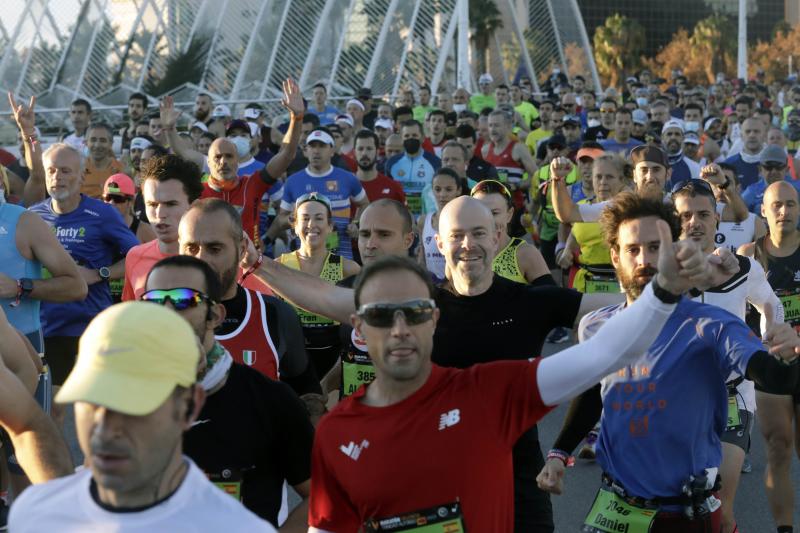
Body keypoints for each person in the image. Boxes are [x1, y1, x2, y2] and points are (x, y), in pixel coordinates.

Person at [247, 195, 737, 533]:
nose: (468, 245)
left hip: (515, 479)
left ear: (499, 238)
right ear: (438, 244)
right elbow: (330, 298)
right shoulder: (411, 302)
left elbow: (618, 318)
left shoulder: (529, 307)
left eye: (479, 233)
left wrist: (686, 281)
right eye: (457, 235)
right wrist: (258, 267)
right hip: (422, 478)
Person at [536, 192, 800, 533]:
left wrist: (793, 352)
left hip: (685, 512)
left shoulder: (711, 325)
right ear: (615, 256)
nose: (644, 259)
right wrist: (559, 454)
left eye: (655, 247)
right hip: (615, 506)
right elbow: (596, 392)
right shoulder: (597, 325)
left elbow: (774, 378)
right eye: (633, 249)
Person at [9, 303, 275, 531]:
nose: (104, 428)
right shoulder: (35, 515)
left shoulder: (237, 529)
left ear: (189, 406)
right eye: (91, 400)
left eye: (131, 405)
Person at [143, 255, 314, 528]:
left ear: (215, 315)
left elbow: (322, 495)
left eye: (183, 299)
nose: (166, 311)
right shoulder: (128, 399)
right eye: (153, 301)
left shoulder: (270, 399)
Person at [672, 179, 782, 533]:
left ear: (717, 218)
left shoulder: (742, 267)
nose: (694, 223)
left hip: (732, 393)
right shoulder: (660, 274)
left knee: (720, 510)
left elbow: (770, 304)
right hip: (678, 395)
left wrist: (766, 344)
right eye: (685, 215)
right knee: (680, 508)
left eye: (703, 214)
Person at [178, 199, 323, 405]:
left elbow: (309, 397)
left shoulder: (275, 314)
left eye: (215, 248)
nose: (202, 260)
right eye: (191, 248)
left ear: (242, 247)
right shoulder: (161, 319)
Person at [29, 143, 139, 402]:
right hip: (48, 327)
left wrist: (98, 273)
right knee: (53, 407)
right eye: (52, 170)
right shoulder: (33, 218)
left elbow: (137, 258)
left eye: (66, 170)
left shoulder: (102, 214)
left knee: (99, 405)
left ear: (81, 176)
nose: (57, 177)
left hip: (91, 325)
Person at [161, 78, 303, 244]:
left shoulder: (254, 183)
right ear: (209, 162)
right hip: (212, 265)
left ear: (237, 161)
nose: (223, 162)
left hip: (250, 265)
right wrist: (169, 129)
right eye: (218, 157)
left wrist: (296, 118)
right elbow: (182, 151)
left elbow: (287, 154)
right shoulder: (198, 192)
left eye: (229, 157)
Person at [739, 181, 800, 533]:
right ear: (763, 210)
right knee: (778, 447)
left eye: (791, 204)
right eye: (777, 205)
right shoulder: (748, 255)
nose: (784, 211)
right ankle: (784, 529)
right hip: (769, 363)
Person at [278, 193, 360, 380]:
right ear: (295, 225)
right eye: (305, 218)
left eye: (319, 218)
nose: (311, 225)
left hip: (334, 363)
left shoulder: (348, 268)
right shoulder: (279, 267)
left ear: (330, 226)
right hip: (293, 365)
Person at [276, 129, 369, 260]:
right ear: (306, 150)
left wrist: (357, 223)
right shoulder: (293, 181)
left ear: (332, 150)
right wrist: (293, 219)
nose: (316, 151)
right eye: (312, 146)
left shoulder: (347, 178)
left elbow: (365, 204)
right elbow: (281, 219)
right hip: (305, 259)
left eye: (322, 146)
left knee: (332, 280)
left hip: (338, 258)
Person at [121, 155, 204, 301]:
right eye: (152, 205)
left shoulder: (215, 258)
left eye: (171, 204)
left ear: (194, 206)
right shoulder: (134, 257)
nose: (160, 214)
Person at [557, 154, 628, 294]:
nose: (603, 182)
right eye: (598, 177)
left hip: (620, 283)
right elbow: (575, 230)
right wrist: (566, 249)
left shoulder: (628, 208)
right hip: (584, 282)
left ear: (621, 180)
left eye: (609, 177)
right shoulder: (582, 208)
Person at [470, 179, 550, 284]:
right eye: (480, 212)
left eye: (494, 213)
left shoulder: (526, 254)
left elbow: (552, 299)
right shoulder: (464, 253)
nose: (487, 220)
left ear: (509, 214)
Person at [385, 120, 442, 217]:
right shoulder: (391, 163)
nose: (410, 139)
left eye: (414, 135)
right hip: (400, 217)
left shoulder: (435, 162)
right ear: (401, 138)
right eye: (407, 136)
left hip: (427, 218)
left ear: (423, 137)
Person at [418, 168, 463, 283]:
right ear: (432, 190)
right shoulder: (424, 221)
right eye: (437, 189)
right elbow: (422, 257)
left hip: (457, 287)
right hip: (432, 286)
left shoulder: (465, 222)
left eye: (448, 190)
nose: (442, 194)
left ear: (458, 190)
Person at [741, 144, 800, 213]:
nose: (774, 171)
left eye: (779, 167)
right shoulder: (751, 193)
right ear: (760, 169)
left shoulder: (797, 189)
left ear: (787, 169)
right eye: (768, 167)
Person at [353, 130, 406, 204]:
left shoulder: (394, 187)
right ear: (354, 152)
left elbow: (403, 215)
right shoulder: (345, 185)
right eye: (360, 149)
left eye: (369, 149)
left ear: (377, 152)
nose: (364, 153)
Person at [82, 123, 125, 199]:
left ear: (111, 143)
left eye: (103, 140)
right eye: (93, 140)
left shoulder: (121, 170)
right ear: (86, 142)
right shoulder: (77, 170)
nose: (97, 145)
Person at [724, 117, 766, 192]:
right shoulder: (728, 165)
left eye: (756, 131)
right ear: (741, 136)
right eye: (747, 131)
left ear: (764, 136)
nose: (752, 135)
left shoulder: (773, 165)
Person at [662, 120, 701, 189]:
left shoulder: (694, 167)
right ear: (662, 137)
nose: (673, 137)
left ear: (683, 138)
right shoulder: (653, 163)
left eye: (677, 134)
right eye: (669, 134)